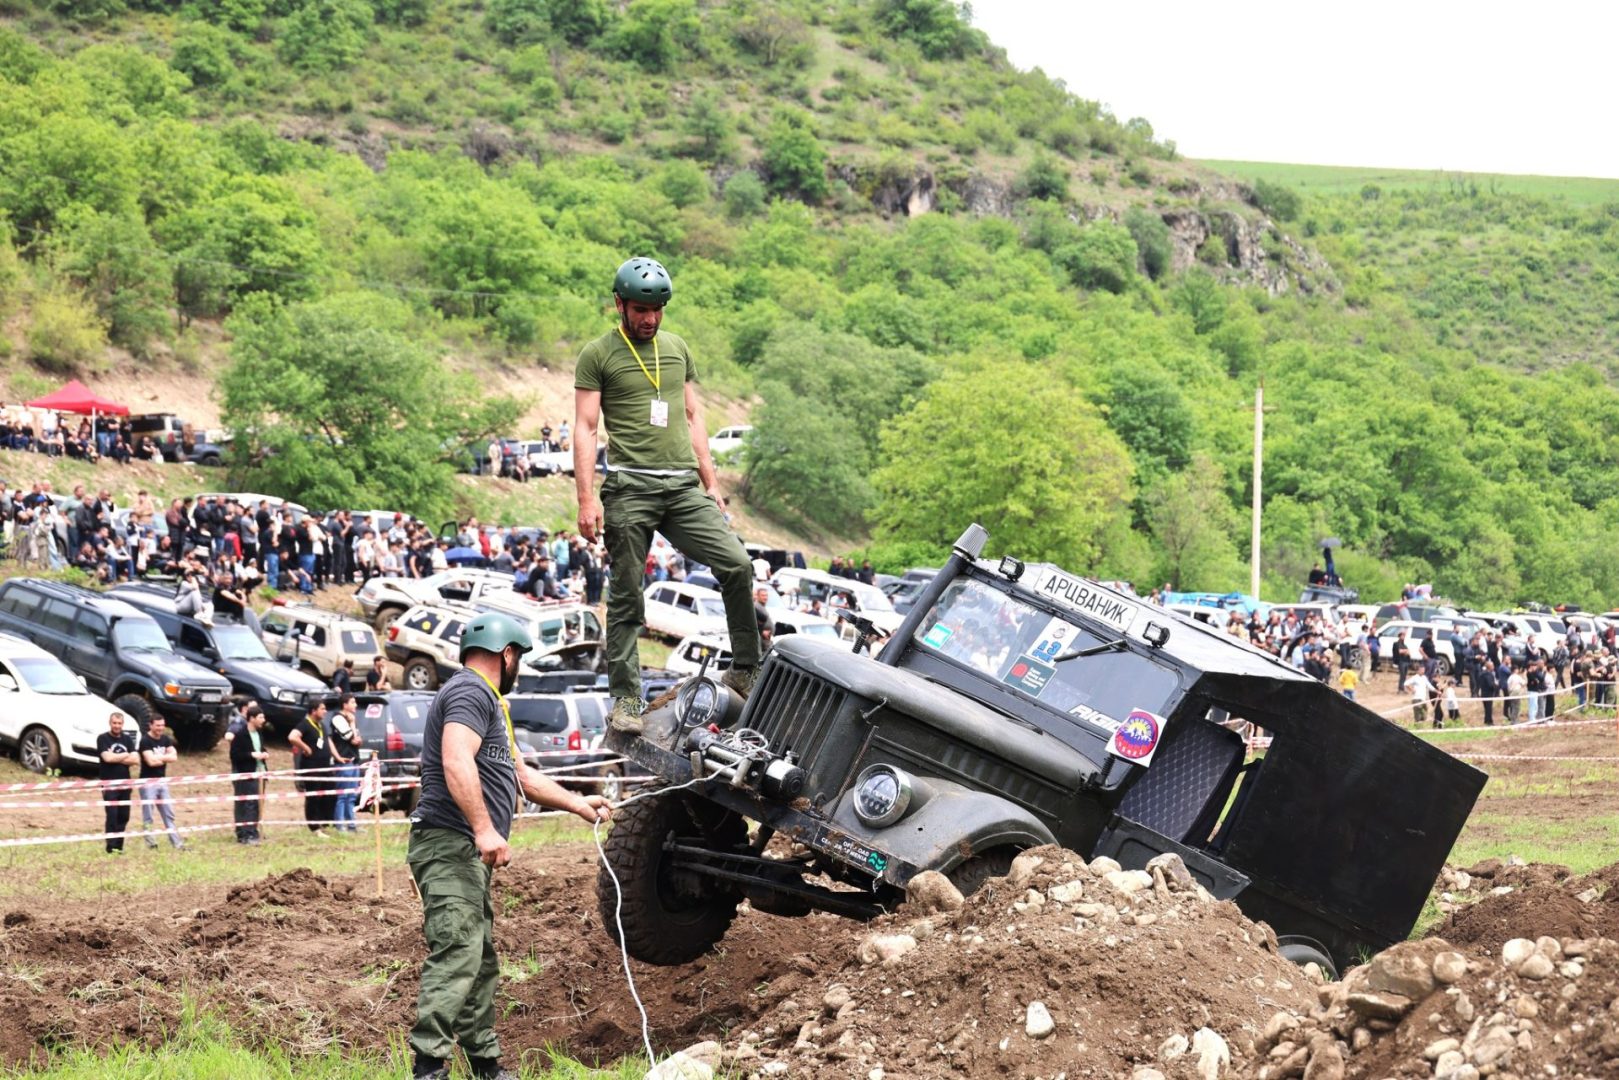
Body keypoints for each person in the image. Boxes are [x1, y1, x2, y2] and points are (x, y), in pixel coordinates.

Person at [406, 612, 610, 1080]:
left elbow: (522, 776)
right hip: (450, 842)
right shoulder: (469, 691)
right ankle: (428, 1068)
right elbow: (455, 759)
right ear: (508, 653)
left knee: (479, 958)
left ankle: (486, 1067)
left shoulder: (490, 703)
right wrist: (483, 828)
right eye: (520, 659)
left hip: (464, 850)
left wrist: (578, 803)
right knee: (458, 948)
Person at [573, 257, 761, 732]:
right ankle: (627, 702)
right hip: (629, 488)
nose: (650, 319)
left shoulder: (676, 349)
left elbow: (695, 417)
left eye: (657, 310)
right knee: (627, 596)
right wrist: (586, 498)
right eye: (640, 309)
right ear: (619, 304)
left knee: (737, 564)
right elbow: (585, 426)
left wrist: (711, 483)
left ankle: (744, 666)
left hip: (681, 487)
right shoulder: (598, 354)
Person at [289, 699, 336, 835]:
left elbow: (327, 741)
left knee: (328, 795)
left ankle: (324, 822)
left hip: (325, 767)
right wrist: (305, 747)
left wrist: (337, 757)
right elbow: (292, 737)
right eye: (322, 709)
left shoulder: (321, 725)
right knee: (313, 797)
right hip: (312, 767)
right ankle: (314, 827)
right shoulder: (304, 724)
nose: (325, 711)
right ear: (313, 711)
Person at [138, 715, 185, 850]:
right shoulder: (145, 741)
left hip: (162, 781)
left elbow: (174, 757)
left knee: (169, 814)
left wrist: (159, 757)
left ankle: (177, 843)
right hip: (147, 782)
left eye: (162, 725)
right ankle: (151, 843)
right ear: (151, 725)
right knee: (148, 815)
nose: (160, 728)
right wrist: (165, 757)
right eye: (157, 725)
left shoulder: (165, 739)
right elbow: (150, 762)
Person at [97, 711, 141, 855]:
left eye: (119, 723)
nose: (117, 726)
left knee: (124, 815)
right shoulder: (103, 738)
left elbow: (135, 759)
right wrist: (125, 755)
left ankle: (119, 846)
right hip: (109, 784)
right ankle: (110, 846)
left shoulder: (127, 739)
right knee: (112, 815)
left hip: (125, 784)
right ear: (110, 723)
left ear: (123, 724)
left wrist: (116, 756)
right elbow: (107, 758)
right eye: (114, 723)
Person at [230, 703, 270, 844]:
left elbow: (261, 748)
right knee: (246, 804)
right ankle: (244, 834)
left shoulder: (259, 734)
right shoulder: (241, 735)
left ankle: (253, 831)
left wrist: (264, 753)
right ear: (252, 718)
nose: (263, 720)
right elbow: (234, 755)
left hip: (260, 774)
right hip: (246, 775)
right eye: (260, 717)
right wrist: (251, 755)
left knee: (256, 804)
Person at [329, 694, 364, 834]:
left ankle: (352, 825)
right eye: (353, 702)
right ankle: (340, 825)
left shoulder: (350, 719)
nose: (355, 705)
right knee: (342, 796)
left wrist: (354, 733)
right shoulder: (338, 718)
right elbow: (352, 738)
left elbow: (359, 740)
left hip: (354, 761)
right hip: (344, 762)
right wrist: (353, 724)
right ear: (344, 705)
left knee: (351, 796)